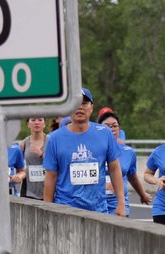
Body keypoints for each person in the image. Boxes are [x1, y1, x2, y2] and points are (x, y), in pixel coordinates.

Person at [43, 88, 126, 216]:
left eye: (84, 103)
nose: (80, 107)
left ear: (91, 108)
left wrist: (121, 203)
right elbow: (51, 176)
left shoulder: (104, 133)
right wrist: (47, 210)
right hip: (65, 209)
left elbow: (114, 168)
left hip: (98, 209)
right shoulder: (54, 138)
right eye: (75, 103)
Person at [98, 112, 152, 215]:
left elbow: (132, 176)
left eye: (115, 126)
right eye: (107, 126)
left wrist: (142, 194)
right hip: (96, 204)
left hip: (118, 204)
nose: (112, 128)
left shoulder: (128, 152)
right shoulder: (92, 150)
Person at [19, 117, 47, 200]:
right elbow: (17, 166)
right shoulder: (23, 144)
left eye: (40, 120)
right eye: (33, 120)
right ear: (28, 124)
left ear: (44, 124)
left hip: (48, 188)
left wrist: (42, 154)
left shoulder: (52, 141)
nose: (36, 123)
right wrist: (19, 175)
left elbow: (59, 162)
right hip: (28, 191)